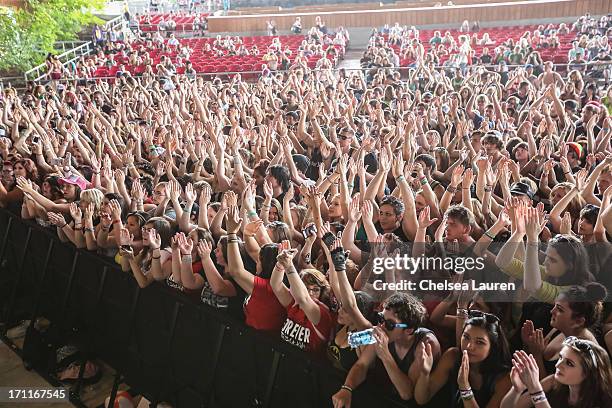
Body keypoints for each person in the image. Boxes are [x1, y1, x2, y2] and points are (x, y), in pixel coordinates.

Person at [331, 293, 440, 406]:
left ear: (408, 330)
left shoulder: (425, 344)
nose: (381, 326)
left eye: (389, 324)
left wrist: (385, 355)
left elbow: (407, 394)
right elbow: (362, 365)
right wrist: (346, 388)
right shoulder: (382, 332)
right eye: (381, 318)